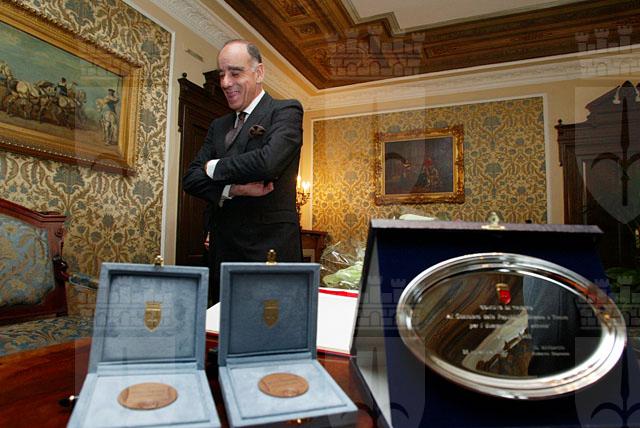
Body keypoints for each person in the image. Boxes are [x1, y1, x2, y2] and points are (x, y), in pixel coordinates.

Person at [183, 39, 303, 305]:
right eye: (221, 74)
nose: (226, 83)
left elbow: (268, 162)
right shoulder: (218, 126)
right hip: (221, 253)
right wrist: (233, 189)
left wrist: (212, 166)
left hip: (268, 251)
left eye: (235, 73)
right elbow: (190, 178)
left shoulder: (285, 111)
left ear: (259, 73)